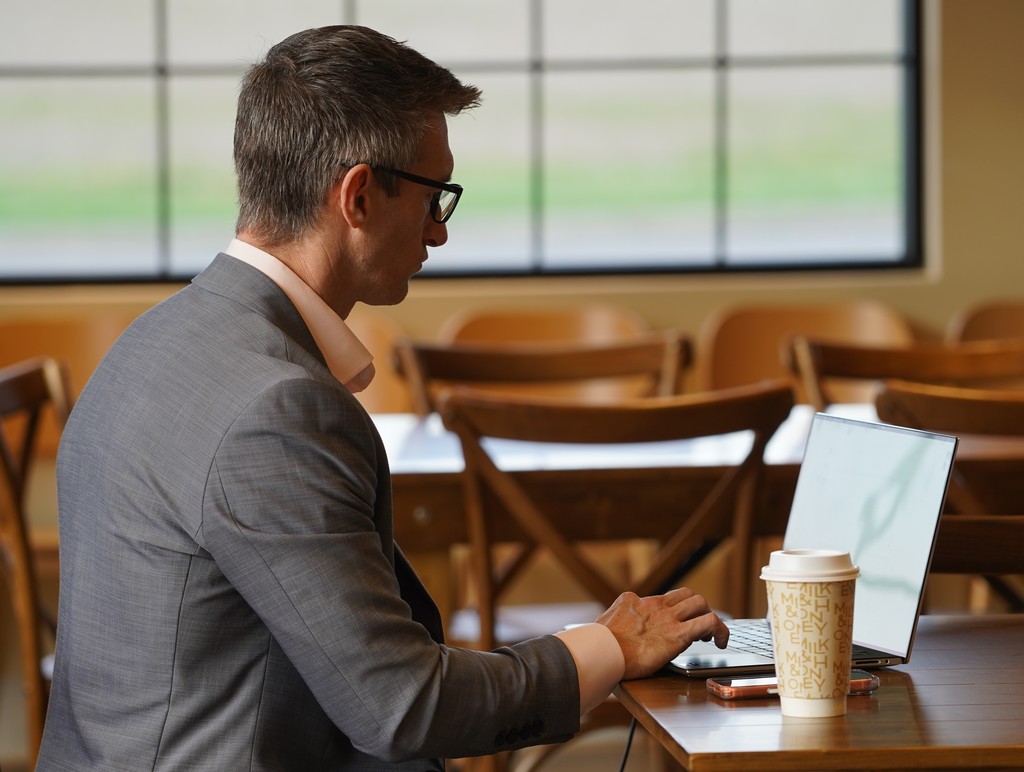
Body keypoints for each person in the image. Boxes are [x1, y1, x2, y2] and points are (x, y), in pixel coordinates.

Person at [37, 25, 728, 771]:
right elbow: (404, 707)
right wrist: (609, 646)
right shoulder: (276, 409)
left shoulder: (148, 343)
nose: (439, 234)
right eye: (435, 198)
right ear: (359, 195)